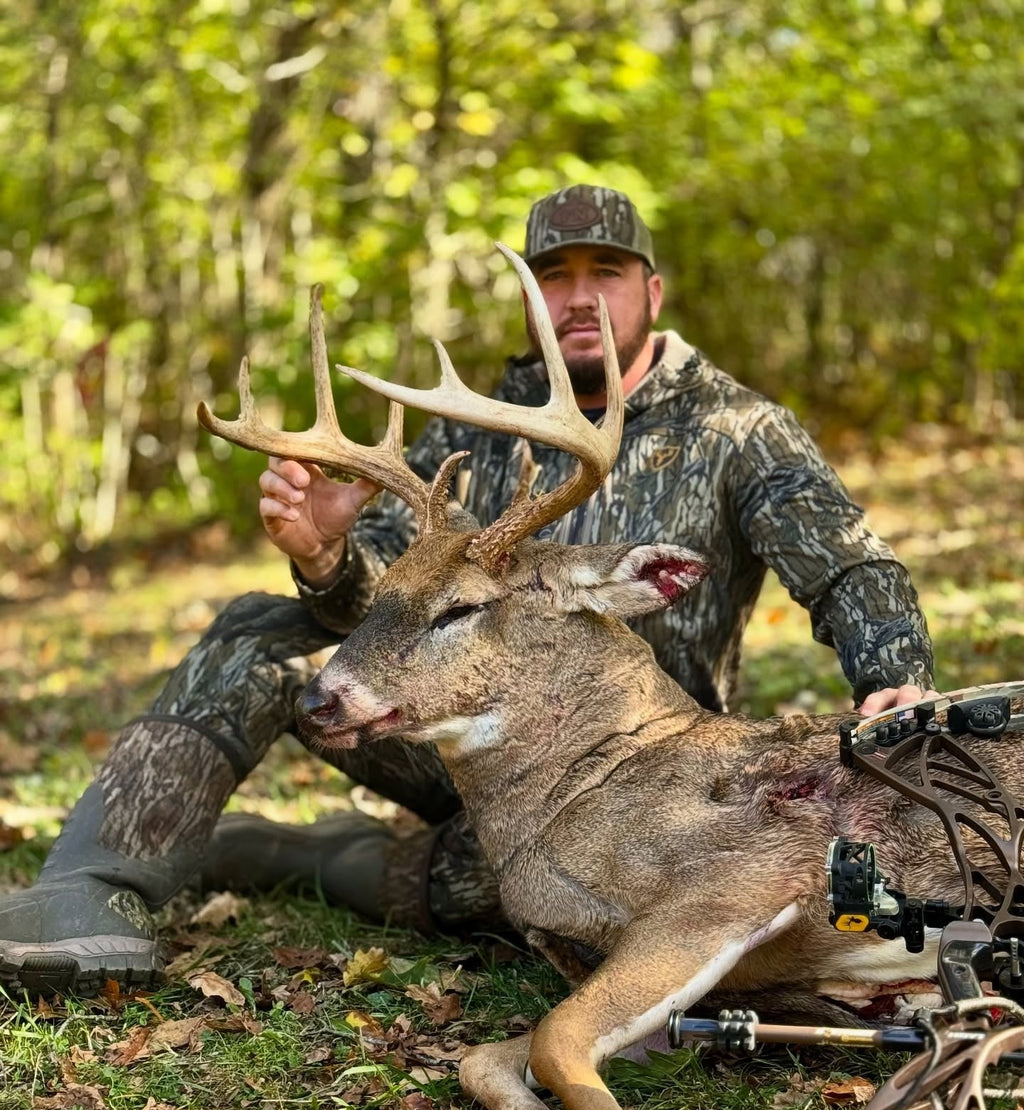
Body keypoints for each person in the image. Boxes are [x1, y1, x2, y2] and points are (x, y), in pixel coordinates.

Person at [0, 185, 936, 997]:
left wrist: (894, 674)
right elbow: (378, 618)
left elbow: (849, 562)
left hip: (632, 781)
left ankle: (265, 848)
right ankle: (89, 888)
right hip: (445, 730)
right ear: (529, 300)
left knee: (473, 889)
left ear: (651, 291)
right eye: (551, 277)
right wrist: (326, 556)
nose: (577, 298)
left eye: (604, 272)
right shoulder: (474, 435)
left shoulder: (736, 429)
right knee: (261, 632)